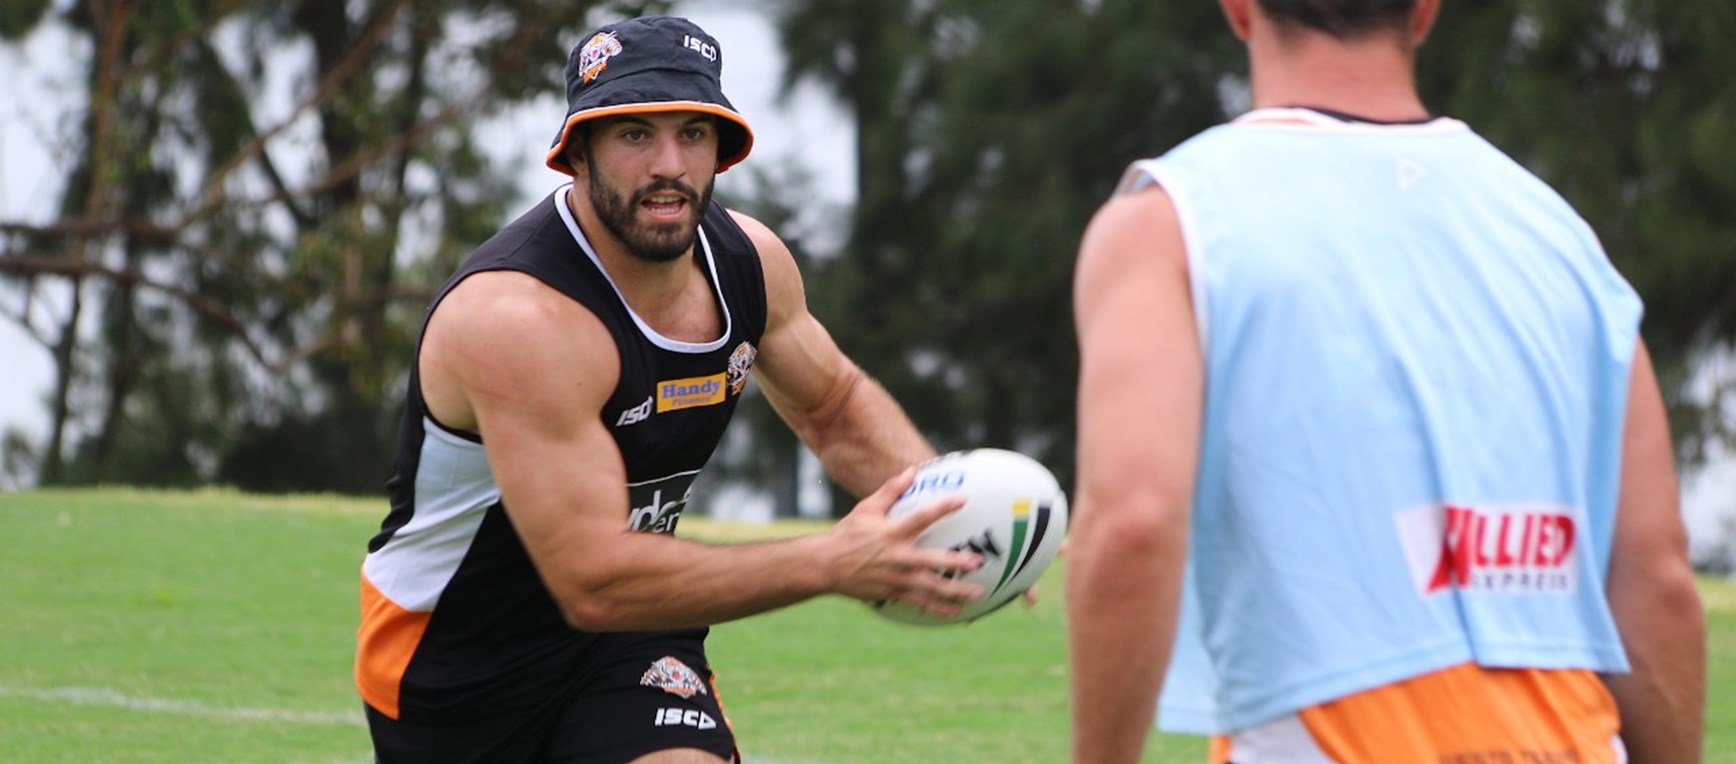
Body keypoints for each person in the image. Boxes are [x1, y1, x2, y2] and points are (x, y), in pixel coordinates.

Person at [1066, 0, 1706, 762]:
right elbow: (1656, 574)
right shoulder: (1559, 238)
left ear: (1239, 8)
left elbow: (1133, 524)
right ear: (1425, 10)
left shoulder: (1170, 221)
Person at [354, 15, 981, 764]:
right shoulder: (517, 319)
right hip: (455, 661)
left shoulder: (751, 261)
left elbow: (835, 405)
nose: (670, 165)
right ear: (576, 153)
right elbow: (591, 579)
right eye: (634, 135)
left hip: (634, 634)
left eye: (693, 132)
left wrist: (951, 510)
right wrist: (833, 561)